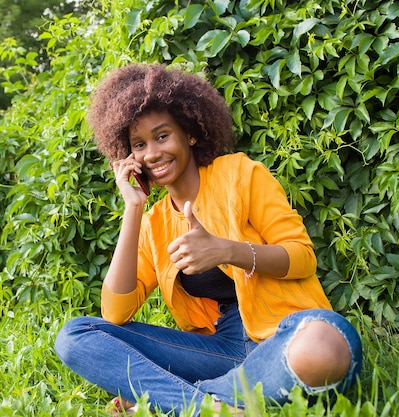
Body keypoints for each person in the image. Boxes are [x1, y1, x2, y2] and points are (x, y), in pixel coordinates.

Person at [55, 63, 362, 416]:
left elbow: (303, 257)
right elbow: (115, 312)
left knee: (324, 348)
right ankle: (210, 406)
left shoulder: (241, 175)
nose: (152, 153)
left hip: (286, 334)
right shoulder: (154, 224)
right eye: (139, 144)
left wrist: (226, 250)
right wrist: (133, 207)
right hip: (220, 352)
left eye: (162, 136)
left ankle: (174, 398)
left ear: (191, 134)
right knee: (76, 337)